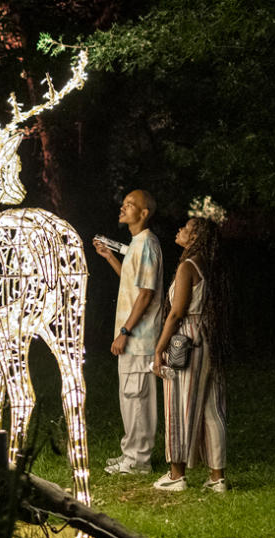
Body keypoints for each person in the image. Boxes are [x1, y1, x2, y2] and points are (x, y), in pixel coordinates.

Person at [152, 217, 231, 493]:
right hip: (207, 337)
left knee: (179, 403)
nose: (179, 230)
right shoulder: (207, 265)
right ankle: (217, 477)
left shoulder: (188, 266)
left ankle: (177, 475)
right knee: (212, 408)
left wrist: (159, 348)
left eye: (185, 228)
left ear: (195, 236)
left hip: (185, 339)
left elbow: (176, 313)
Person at [93, 189, 164, 475]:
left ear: (144, 213)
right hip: (133, 337)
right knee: (130, 397)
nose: (123, 208)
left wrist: (125, 330)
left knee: (137, 398)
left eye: (130, 205)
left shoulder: (147, 244)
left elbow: (146, 294)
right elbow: (132, 282)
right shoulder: (136, 243)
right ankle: (131, 454)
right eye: (123, 204)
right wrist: (110, 256)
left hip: (140, 338)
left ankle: (138, 460)